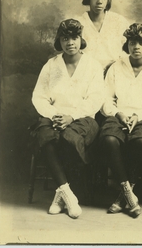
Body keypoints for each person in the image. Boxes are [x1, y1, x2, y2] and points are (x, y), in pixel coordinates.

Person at [31, 19, 104, 219]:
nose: (70, 42)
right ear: (59, 41)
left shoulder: (93, 66)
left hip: (82, 118)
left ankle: (59, 196)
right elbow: (39, 96)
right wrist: (53, 114)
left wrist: (71, 116)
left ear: (81, 39)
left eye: (74, 37)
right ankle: (68, 195)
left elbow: (96, 99)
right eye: (65, 38)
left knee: (68, 138)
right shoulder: (51, 65)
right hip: (53, 115)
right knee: (45, 135)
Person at [99, 23, 142, 218]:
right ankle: (129, 194)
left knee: (141, 141)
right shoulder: (115, 68)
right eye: (132, 42)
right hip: (119, 115)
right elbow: (106, 99)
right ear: (127, 45)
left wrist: (139, 116)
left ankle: (122, 196)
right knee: (110, 139)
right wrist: (119, 114)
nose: (136, 47)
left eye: (141, 42)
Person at [78, 0, 130, 71]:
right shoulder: (79, 23)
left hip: (115, 72)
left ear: (107, 0)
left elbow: (129, 50)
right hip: (87, 73)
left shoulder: (119, 21)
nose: (99, 1)